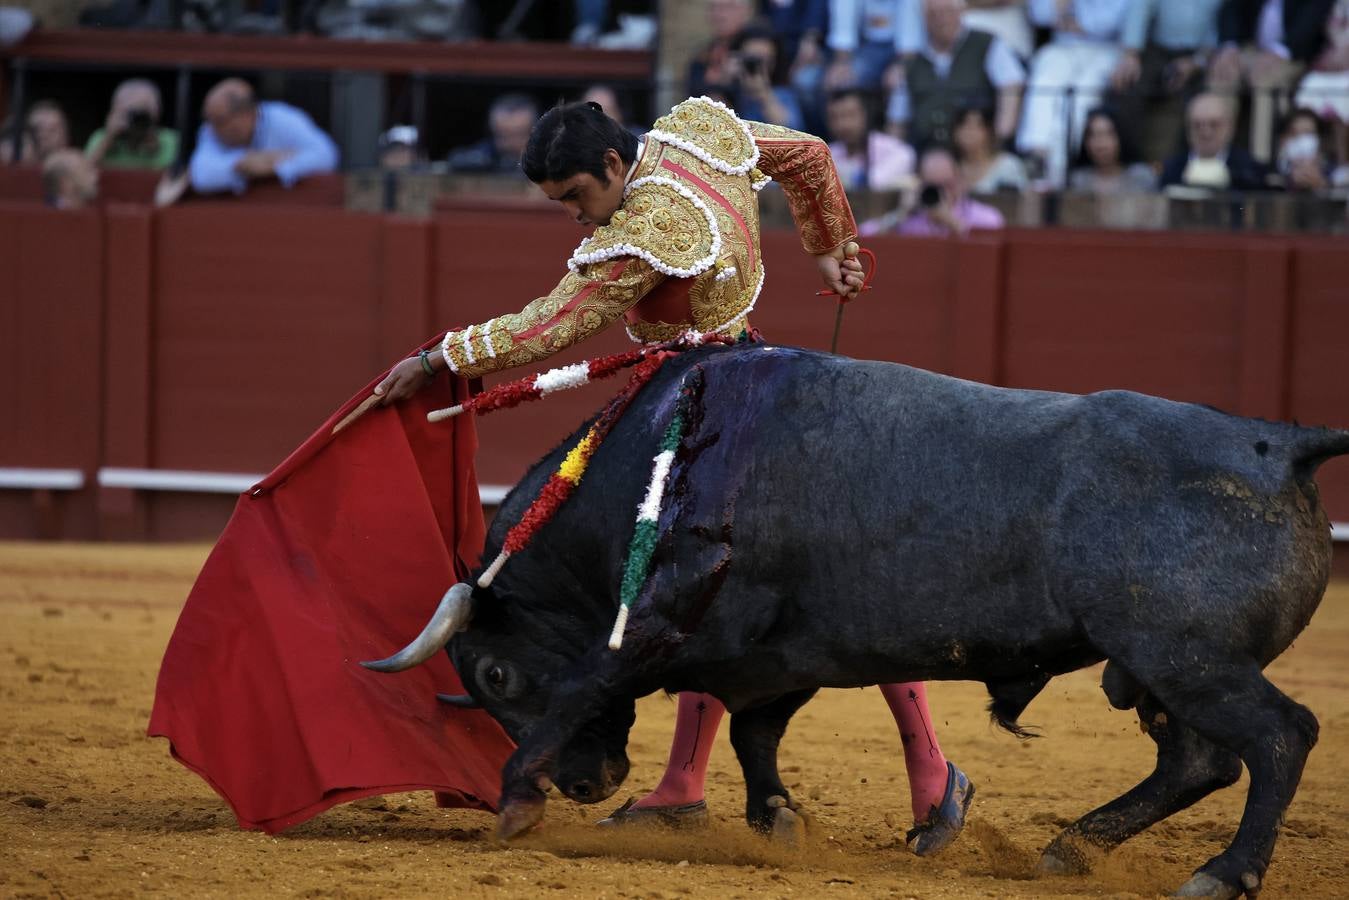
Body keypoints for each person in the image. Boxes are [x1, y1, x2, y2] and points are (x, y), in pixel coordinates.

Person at [373, 97, 976, 855]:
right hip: (761, 380)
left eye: (576, 197)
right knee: (751, 582)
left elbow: (548, 325)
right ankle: (697, 785)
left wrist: (435, 359)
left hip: (713, 410)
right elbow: (808, 155)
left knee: (699, 575)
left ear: (613, 166)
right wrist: (831, 245)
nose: (574, 216)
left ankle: (904, 771)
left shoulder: (648, 231)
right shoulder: (693, 139)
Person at [1018, 0, 1132, 187]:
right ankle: (1036, 157)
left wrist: (1078, 23)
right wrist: (1060, 8)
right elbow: (1039, 14)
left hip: (1106, 50)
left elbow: (1113, 22)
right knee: (1044, 82)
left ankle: (1059, 172)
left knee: (1079, 100)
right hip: (1063, 47)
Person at [1208, 0, 1336, 161]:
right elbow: (1231, 10)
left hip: (1294, 53)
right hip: (1251, 50)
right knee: (1223, 75)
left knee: (1265, 81)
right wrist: (1229, 48)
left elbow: (1310, 23)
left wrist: (1279, 52)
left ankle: (1262, 164)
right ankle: (1212, 162)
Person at [890, 0, 1026, 148]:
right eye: (934, 14)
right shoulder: (913, 63)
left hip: (979, 149)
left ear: (960, 12)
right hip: (928, 152)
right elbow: (897, 121)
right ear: (924, 19)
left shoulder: (986, 44)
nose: (941, 20)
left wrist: (1000, 139)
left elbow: (1012, 86)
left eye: (947, 12)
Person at [1108, 0, 1222, 164]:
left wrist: (1196, 62)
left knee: (1199, 100)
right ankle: (1128, 161)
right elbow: (1140, 9)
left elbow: (1218, 30)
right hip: (1158, 50)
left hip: (1201, 56)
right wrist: (1131, 54)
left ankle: (1185, 166)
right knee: (1128, 86)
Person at [189, 78, 339, 195]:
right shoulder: (210, 130)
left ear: (246, 114)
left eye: (220, 121)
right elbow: (201, 176)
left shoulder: (283, 119)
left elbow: (326, 156)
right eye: (209, 120)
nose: (212, 129)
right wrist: (242, 164)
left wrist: (275, 167)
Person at [879, 143, 1006, 234]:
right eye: (934, 187)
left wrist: (952, 222)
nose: (942, 193)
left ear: (960, 181)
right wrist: (900, 214)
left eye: (947, 185)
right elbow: (867, 239)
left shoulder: (985, 217)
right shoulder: (910, 218)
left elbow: (989, 249)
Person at [1159, 91, 1274, 190]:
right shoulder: (1171, 170)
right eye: (1197, 125)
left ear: (1230, 127)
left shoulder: (1250, 171)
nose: (1205, 133)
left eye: (1214, 125)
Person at [826, 87, 917, 189]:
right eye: (835, 117)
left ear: (865, 115)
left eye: (850, 115)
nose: (843, 124)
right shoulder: (826, 153)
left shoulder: (892, 149)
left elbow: (907, 156)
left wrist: (858, 179)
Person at [719, 23, 807, 128]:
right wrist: (723, 83)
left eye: (765, 60)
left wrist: (764, 94)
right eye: (751, 59)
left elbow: (790, 130)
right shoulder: (725, 87)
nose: (758, 67)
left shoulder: (782, 94)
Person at [85, 78, 180, 170]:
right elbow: (82, 173)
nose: (136, 119)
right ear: (116, 111)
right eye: (131, 112)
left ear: (157, 113)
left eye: (142, 113)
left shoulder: (169, 139)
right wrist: (108, 138)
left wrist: (152, 141)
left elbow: (171, 176)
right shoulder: (101, 137)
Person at [1068, 105, 1157, 192]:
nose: (1101, 144)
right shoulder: (1079, 181)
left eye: (1108, 134)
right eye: (1093, 135)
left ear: (1121, 136)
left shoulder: (1140, 177)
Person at [447, 93, 539, 174]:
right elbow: (458, 159)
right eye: (502, 135)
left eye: (518, 135)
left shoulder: (547, 161)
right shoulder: (484, 156)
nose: (509, 145)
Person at [952, 104, 1028, 192]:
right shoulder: (947, 166)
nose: (968, 132)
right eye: (963, 126)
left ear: (990, 132)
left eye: (976, 126)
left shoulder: (1007, 166)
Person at [688, 0, 757, 96]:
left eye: (728, 7)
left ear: (746, 12)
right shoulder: (703, 54)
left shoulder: (756, 46)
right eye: (714, 8)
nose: (719, 14)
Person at [1274, 107, 1333, 190]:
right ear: (1283, 139)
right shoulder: (1272, 175)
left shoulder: (1334, 173)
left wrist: (1321, 185)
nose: (1301, 140)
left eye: (1307, 133)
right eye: (1294, 133)